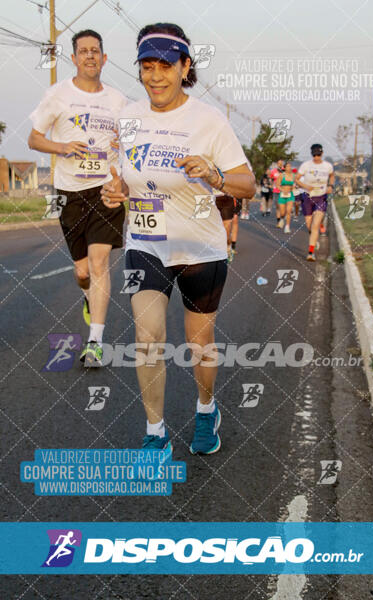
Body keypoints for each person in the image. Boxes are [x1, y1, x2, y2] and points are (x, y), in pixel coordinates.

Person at [101, 22, 256, 454]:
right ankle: (156, 432)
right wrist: (116, 192)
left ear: (185, 66)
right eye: (147, 66)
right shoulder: (129, 118)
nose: (155, 76)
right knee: (147, 337)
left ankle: (207, 410)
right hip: (145, 244)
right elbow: (125, 180)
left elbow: (249, 185)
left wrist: (215, 174)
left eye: (165, 66)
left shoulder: (209, 120)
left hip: (201, 247)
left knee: (198, 343)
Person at [28, 30, 127, 366]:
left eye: (95, 51)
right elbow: (34, 138)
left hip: (104, 190)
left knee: (100, 264)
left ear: (104, 58)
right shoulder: (57, 95)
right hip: (69, 192)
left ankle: (95, 343)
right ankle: (87, 296)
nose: (89, 56)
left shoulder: (118, 101)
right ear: (73, 58)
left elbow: (128, 145)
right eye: (83, 51)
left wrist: (122, 177)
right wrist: (62, 147)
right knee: (82, 271)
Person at [295, 144, 334, 261]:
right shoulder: (306, 166)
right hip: (308, 197)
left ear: (322, 154)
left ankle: (310, 252)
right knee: (309, 225)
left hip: (321, 197)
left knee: (315, 224)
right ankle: (314, 238)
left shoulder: (327, 166)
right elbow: (296, 179)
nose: (316, 157)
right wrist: (305, 186)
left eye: (318, 154)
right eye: (314, 155)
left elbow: (332, 176)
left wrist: (330, 185)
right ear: (312, 154)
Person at [276, 161, 295, 233]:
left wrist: (294, 188)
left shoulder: (293, 175)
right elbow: (277, 185)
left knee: (289, 211)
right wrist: (282, 190)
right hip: (282, 194)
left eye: (290, 166)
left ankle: (287, 227)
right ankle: (282, 218)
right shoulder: (281, 175)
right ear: (285, 167)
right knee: (282, 212)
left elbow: (295, 184)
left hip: (290, 195)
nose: (289, 168)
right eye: (287, 166)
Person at [270, 159, 285, 227]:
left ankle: (282, 219)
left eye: (281, 163)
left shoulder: (285, 171)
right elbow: (271, 179)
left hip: (283, 191)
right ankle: (279, 221)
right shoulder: (273, 171)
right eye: (279, 163)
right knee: (277, 206)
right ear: (277, 164)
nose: (280, 164)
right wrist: (272, 184)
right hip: (276, 190)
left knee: (282, 207)